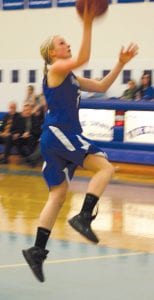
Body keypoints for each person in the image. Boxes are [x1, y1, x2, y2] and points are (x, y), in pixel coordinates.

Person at [22, 1, 138, 283]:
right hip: (61, 134)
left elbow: (102, 87)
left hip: (55, 139)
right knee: (106, 168)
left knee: (58, 195)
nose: (68, 45)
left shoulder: (69, 75)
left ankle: (37, 250)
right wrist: (87, 22)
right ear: (52, 52)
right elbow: (84, 57)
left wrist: (120, 63)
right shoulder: (56, 69)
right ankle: (83, 217)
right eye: (64, 43)